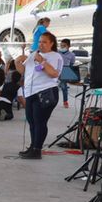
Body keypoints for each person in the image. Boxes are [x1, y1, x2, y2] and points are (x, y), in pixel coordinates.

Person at [16, 32, 63, 160]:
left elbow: (54, 74)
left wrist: (42, 62)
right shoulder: (34, 55)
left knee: (40, 122)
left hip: (45, 92)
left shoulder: (56, 56)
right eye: (40, 41)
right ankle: (33, 146)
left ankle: (38, 149)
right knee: (31, 122)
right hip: (31, 92)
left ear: (51, 43)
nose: (41, 44)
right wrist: (17, 62)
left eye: (44, 42)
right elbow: (24, 71)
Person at [57, 39, 78, 107]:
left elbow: (71, 64)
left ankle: (65, 101)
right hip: (56, 70)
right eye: (61, 45)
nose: (62, 47)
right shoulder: (57, 53)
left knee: (64, 87)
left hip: (65, 71)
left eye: (64, 46)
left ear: (69, 46)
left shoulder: (72, 55)